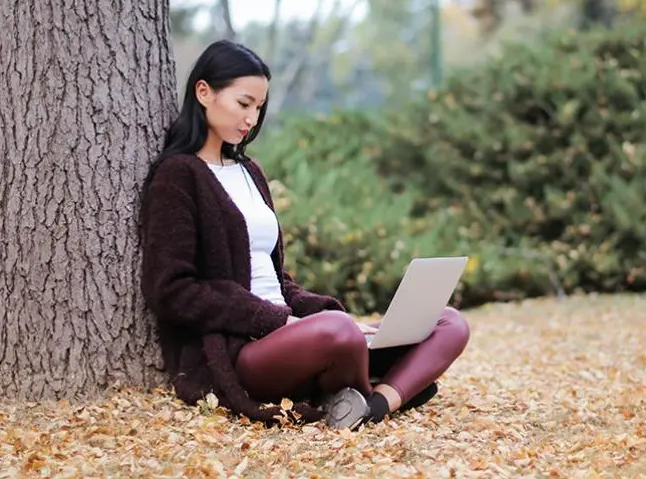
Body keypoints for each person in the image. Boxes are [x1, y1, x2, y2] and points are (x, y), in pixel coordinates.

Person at [139, 39, 470, 430]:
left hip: (297, 333)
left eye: (259, 107)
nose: (252, 118)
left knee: (449, 322)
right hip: (241, 348)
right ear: (204, 92)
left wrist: (318, 311)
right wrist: (278, 321)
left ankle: (372, 405)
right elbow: (172, 290)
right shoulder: (178, 175)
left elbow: (276, 279)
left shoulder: (250, 171)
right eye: (244, 103)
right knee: (339, 332)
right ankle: (383, 385)